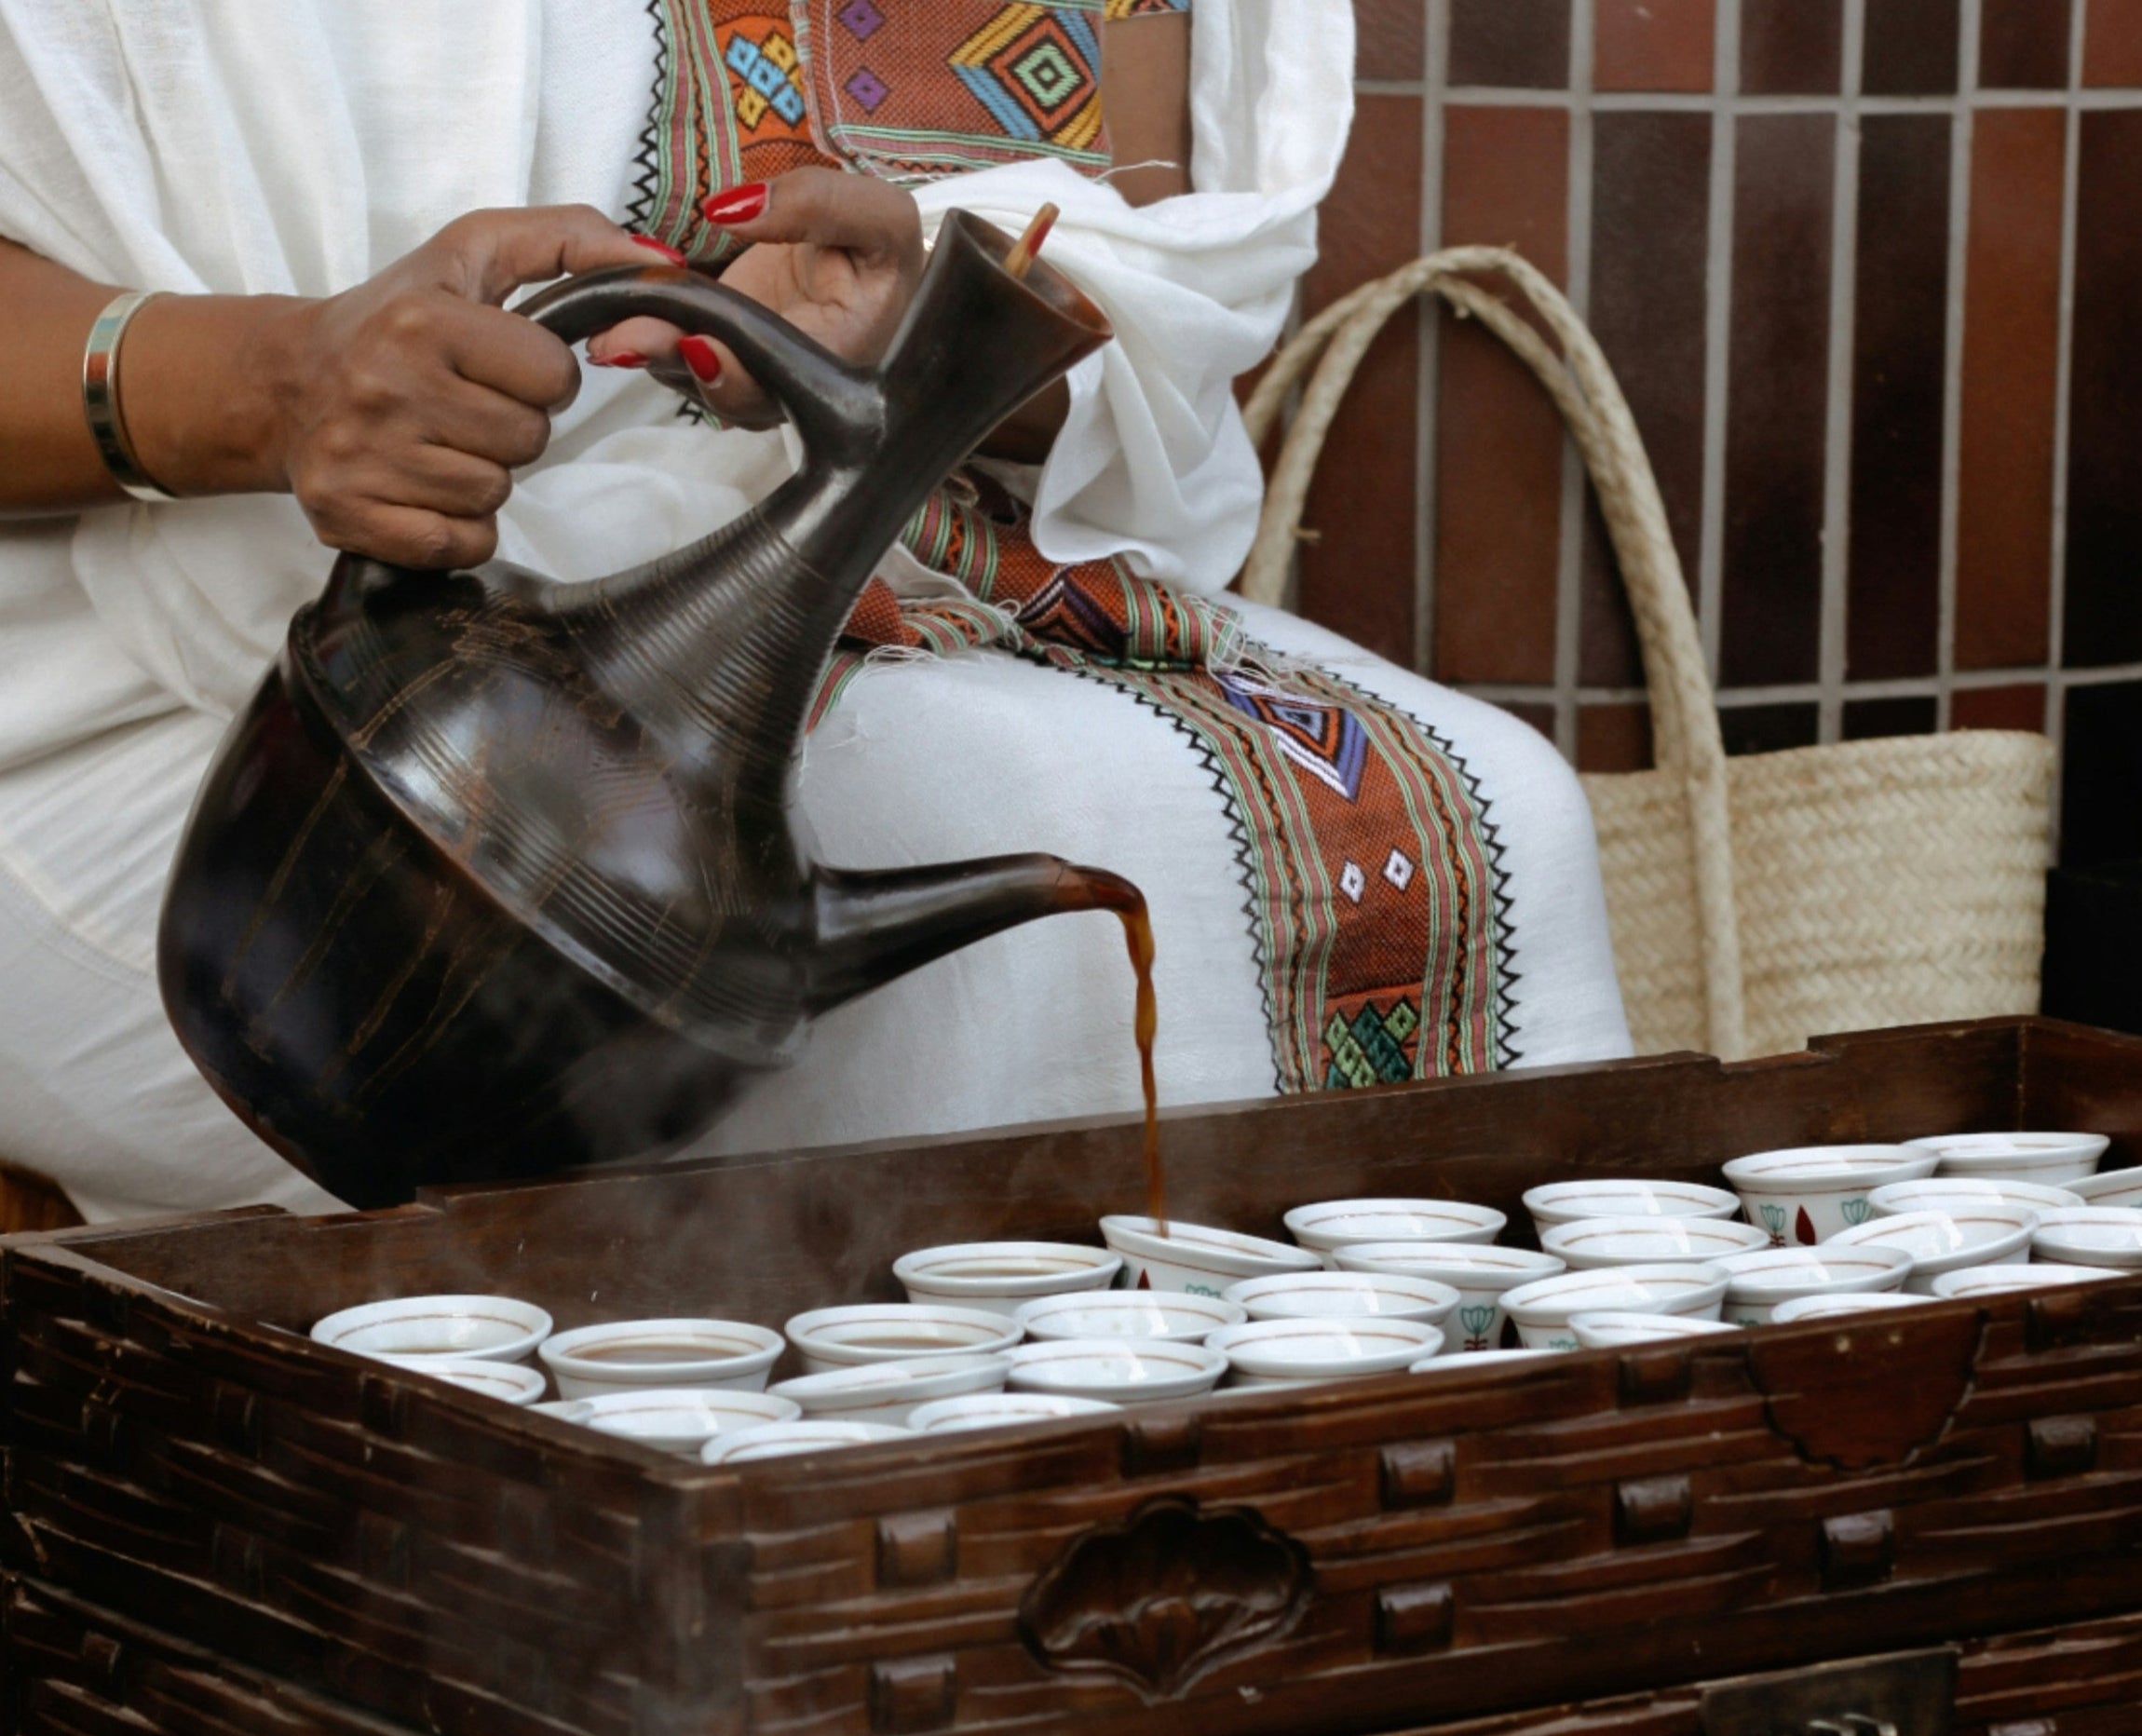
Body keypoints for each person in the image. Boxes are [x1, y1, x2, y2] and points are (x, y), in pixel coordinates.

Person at [0, 0, 1628, 1222]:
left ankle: (1357, 1577)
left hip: (822, 557)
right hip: (186, 688)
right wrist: (276, 388)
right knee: (994, 893)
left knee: (1509, 817)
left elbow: (1160, 287)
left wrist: (928, 324)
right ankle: (852, 1597)